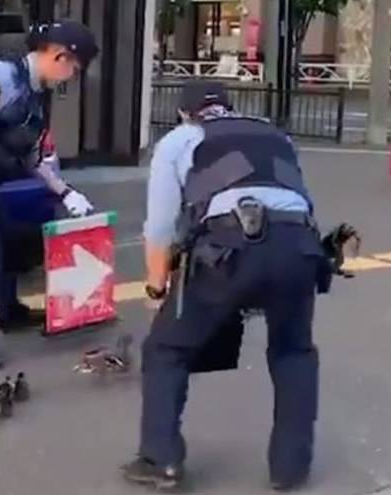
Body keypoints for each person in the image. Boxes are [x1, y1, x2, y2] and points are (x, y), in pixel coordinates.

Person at [122, 80, 328, 491]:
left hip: (231, 248)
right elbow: (298, 198)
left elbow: (160, 227)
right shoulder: (275, 135)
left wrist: (156, 289)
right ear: (229, 109)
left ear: (185, 112)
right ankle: (290, 468)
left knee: (166, 348)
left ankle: (160, 458)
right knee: (294, 352)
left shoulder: (181, 140)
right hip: (300, 247)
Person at [0, 20, 99, 371]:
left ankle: (9, 311)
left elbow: (30, 157)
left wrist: (65, 191)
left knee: (16, 241)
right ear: (59, 56)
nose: (72, 77)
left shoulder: (33, 92)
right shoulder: (3, 79)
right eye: (75, 68)